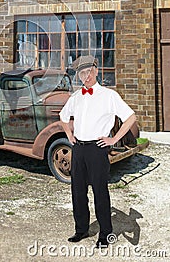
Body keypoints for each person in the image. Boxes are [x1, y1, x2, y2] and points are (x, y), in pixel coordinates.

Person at [59, 55, 137, 248]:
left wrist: (113, 139)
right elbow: (63, 116)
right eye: (82, 73)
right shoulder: (76, 97)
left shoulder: (109, 96)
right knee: (78, 192)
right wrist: (69, 134)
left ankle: (105, 233)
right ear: (78, 76)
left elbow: (130, 117)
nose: (86, 76)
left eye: (89, 72)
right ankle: (81, 229)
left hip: (97, 149)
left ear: (96, 71)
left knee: (100, 192)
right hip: (78, 149)